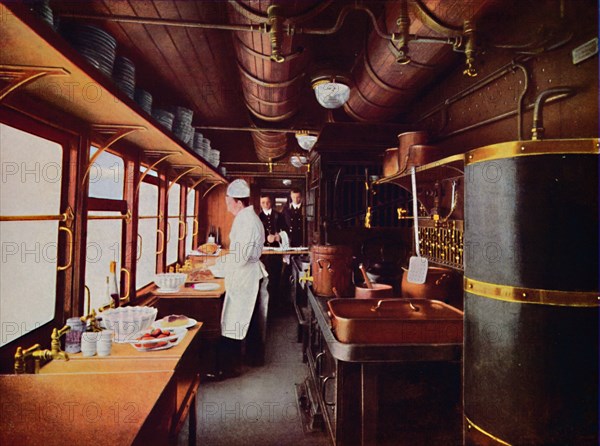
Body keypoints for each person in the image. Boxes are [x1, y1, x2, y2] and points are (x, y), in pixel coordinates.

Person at [204, 179, 268, 378]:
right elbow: (238, 255)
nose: (227, 207)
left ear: (239, 203)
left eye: (229, 202)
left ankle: (227, 368)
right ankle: (234, 363)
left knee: (234, 322)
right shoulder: (247, 218)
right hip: (244, 276)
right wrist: (216, 266)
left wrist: (215, 268)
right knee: (236, 322)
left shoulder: (246, 221)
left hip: (245, 278)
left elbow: (239, 259)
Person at [258, 194, 286, 312]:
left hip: (277, 252)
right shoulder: (257, 217)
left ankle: (276, 306)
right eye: (263, 202)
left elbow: (285, 231)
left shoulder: (279, 216)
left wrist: (278, 237)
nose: (265, 205)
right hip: (263, 254)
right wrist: (265, 238)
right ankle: (265, 307)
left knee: (276, 278)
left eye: (267, 202)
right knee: (265, 279)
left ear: (271, 203)